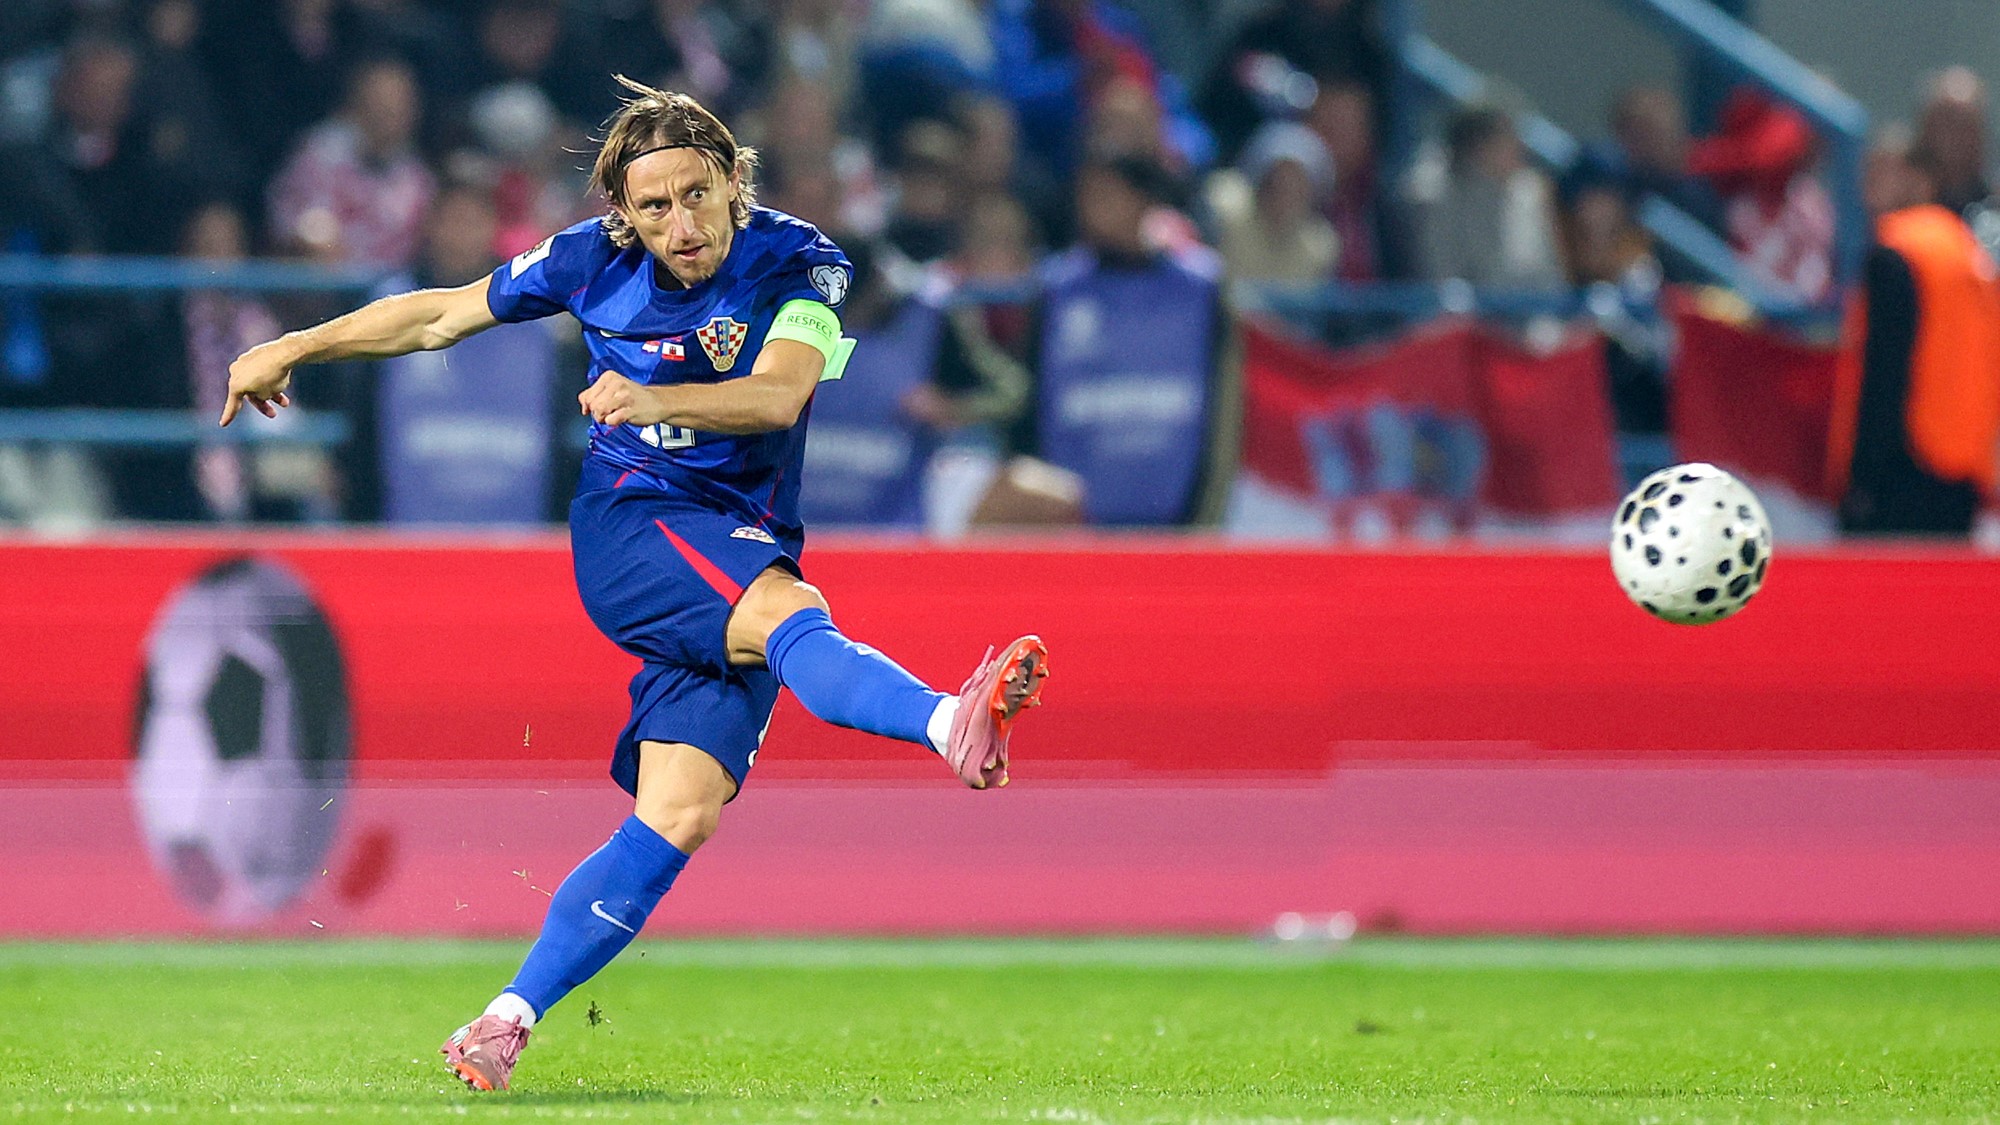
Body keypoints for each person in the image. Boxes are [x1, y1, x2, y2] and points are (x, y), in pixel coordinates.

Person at [220, 78, 1050, 1091]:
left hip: (737, 539)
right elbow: (438, 316)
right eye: (654, 206)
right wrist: (292, 344)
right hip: (636, 527)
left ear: (732, 180)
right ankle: (946, 722)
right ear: (623, 210)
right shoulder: (590, 260)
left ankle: (504, 1018)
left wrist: (657, 397)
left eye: (696, 194)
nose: (679, 224)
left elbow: (778, 395)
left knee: (678, 814)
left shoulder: (801, 263)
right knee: (790, 613)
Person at [1830, 134, 2000, 536]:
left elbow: (1884, 373)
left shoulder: (1897, 248)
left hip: (1901, 468)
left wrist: (1863, 477)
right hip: (1961, 469)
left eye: (1886, 172)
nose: (1870, 186)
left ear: (1921, 179)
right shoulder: (1963, 245)